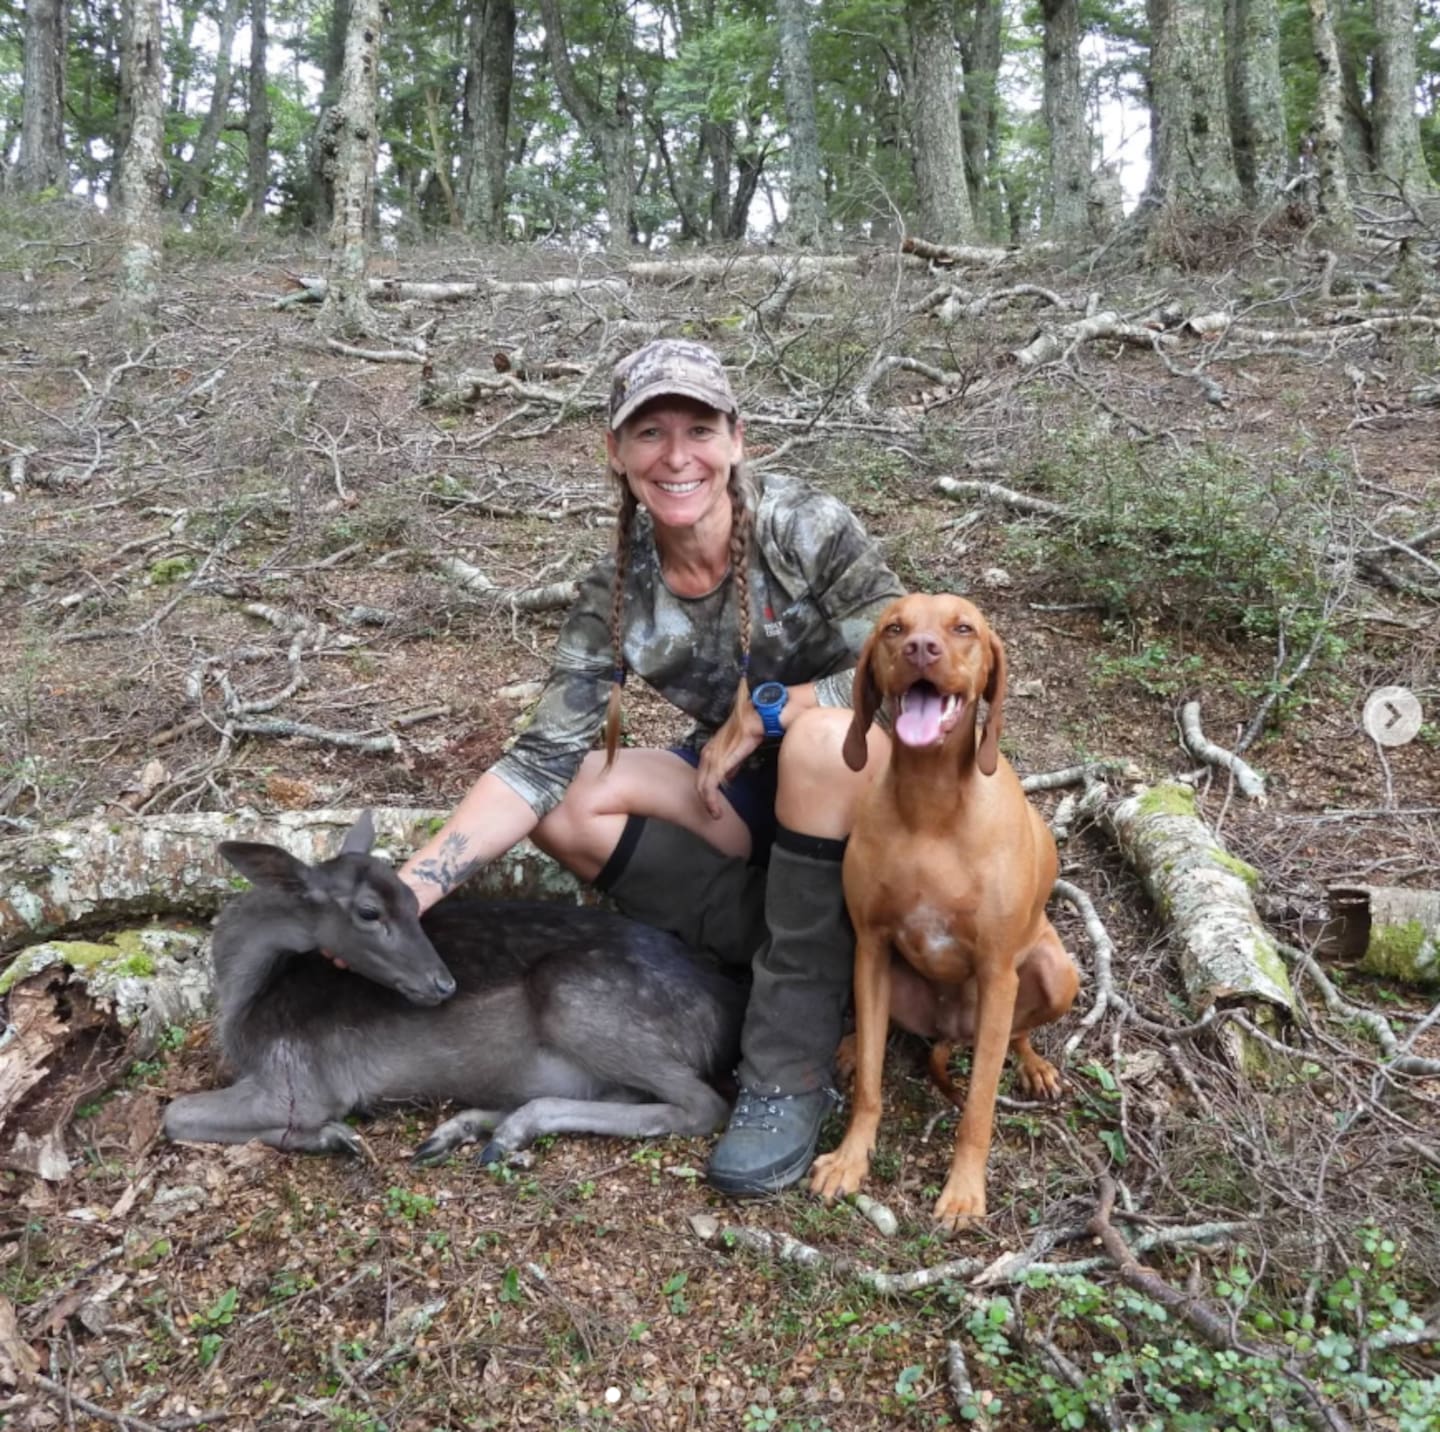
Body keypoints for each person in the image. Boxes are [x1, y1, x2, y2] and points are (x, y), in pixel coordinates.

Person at [398, 339, 903, 1195]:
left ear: (737, 439)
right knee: (573, 797)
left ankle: (787, 1065)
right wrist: (410, 889)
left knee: (816, 746)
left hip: (865, 784)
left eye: (699, 429)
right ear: (616, 452)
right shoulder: (617, 591)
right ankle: (772, 953)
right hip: (751, 793)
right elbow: (539, 762)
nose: (677, 457)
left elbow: (911, 660)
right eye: (650, 433)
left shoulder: (802, 526)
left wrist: (781, 706)